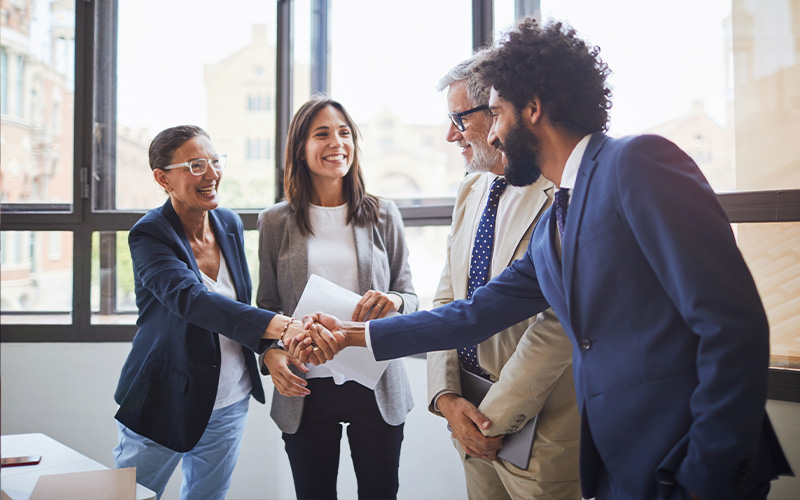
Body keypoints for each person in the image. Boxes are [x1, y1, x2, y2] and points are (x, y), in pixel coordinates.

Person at [294, 19, 793, 500]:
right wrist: (348, 336)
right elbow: (474, 313)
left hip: (688, 464)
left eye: (497, 113)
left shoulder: (638, 163)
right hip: (622, 465)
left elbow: (733, 326)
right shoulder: (560, 213)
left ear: (532, 108)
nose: (490, 134)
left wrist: (710, 475)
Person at [113, 125, 307, 500]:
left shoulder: (228, 223)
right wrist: (279, 326)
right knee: (130, 496)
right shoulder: (149, 235)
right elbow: (190, 300)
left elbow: (236, 308)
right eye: (196, 165)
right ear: (162, 178)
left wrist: (268, 347)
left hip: (229, 398)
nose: (212, 174)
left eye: (215, 161)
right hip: (163, 398)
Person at [427, 53, 580, 499]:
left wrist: (491, 417)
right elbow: (448, 298)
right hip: (466, 413)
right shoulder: (471, 186)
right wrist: (446, 398)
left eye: (460, 119)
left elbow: (558, 326)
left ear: (500, 110)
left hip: (540, 428)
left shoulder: (561, 193)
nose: (451, 135)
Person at [256, 94, 418, 500]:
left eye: (344, 133)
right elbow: (266, 307)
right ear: (300, 148)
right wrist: (270, 354)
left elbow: (410, 295)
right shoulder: (275, 221)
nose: (337, 143)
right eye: (322, 133)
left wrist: (395, 302)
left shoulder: (384, 213)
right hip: (306, 386)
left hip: (375, 382)